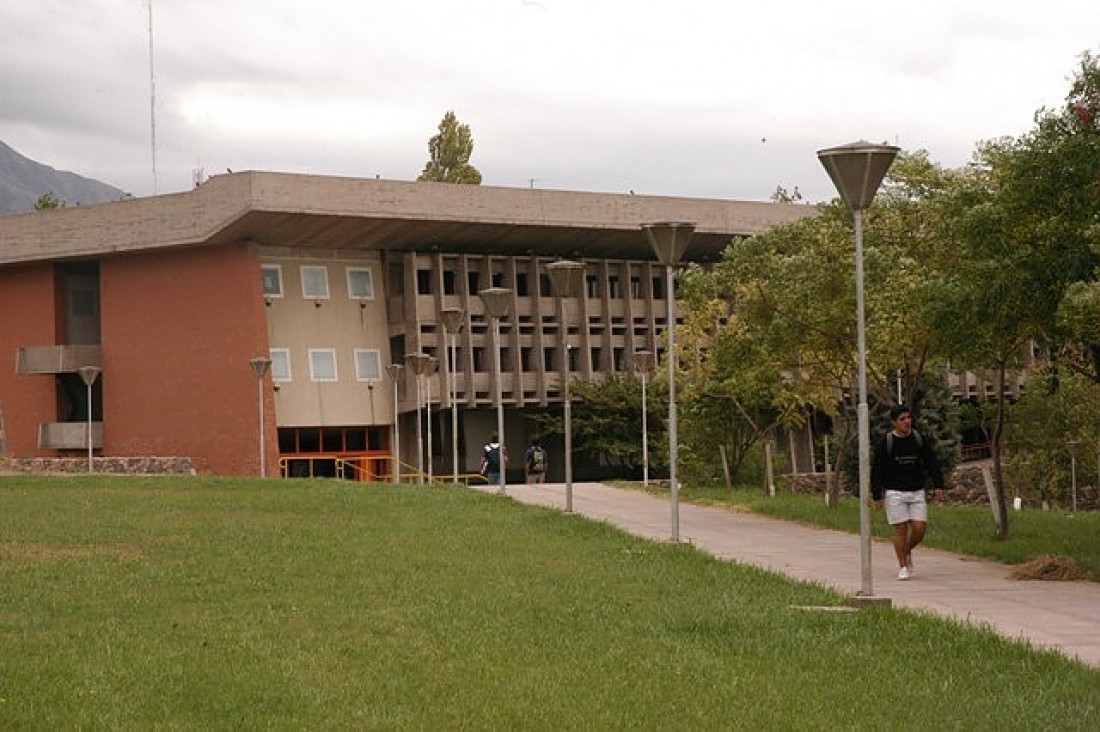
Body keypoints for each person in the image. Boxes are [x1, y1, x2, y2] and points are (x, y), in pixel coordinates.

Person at [871, 404, 945, 581]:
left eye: (909, 418)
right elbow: (877, 470)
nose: (907, 422)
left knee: (919, 529)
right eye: (902, 419)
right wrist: (877, 495)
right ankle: (903, 566)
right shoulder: (886, 443)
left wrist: (938, 485)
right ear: (894, 423)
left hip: (916, 491)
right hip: (895, 492)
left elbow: (931, 462)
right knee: (901, 530)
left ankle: (906, 550)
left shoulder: (919, 439)